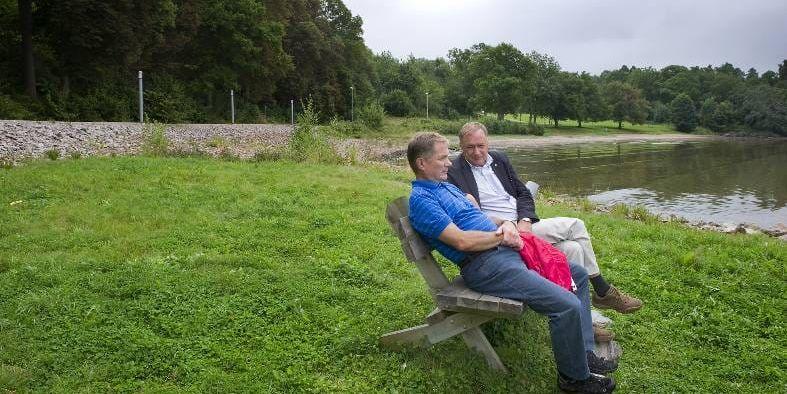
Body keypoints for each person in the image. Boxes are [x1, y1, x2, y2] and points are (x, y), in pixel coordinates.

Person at [406, 132, 616, 393]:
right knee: (566, 305)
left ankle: (584, 354)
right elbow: (461, 242)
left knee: (578, 274)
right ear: (422, 163)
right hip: (486, 266)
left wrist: (506, 223)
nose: (449, 162)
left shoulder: (446, 187)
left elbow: (481, 216)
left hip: (506, 254)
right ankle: (573, 380)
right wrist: (502, 236)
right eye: (442, 158)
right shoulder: (423, 201)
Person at [447, 122, 642, 315]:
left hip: (522, 226)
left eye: (480, 146)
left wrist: (525, 219)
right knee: (576, 225)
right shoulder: (454, 171)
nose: (477, 152)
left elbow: (523, 193)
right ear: (461, 146)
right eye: (470, 147)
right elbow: (468, 213)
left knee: (572, 249)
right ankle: (602, 290)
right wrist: (506, 225)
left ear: (487, 142)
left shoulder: (499, 159)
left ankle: (584, 318)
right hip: (501, 233)